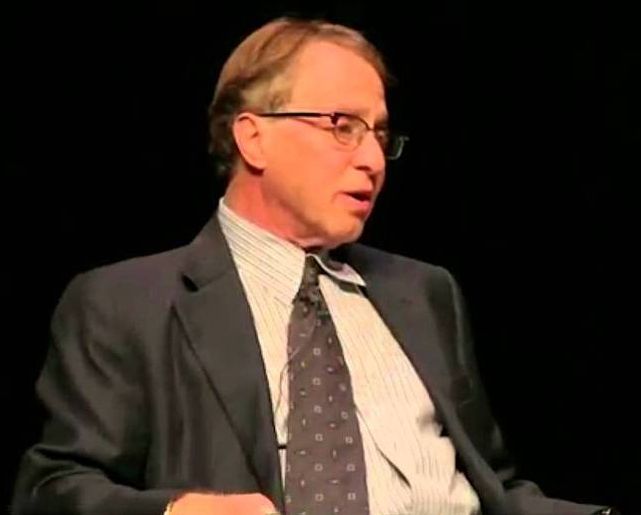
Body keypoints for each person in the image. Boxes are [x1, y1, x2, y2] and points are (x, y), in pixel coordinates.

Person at [11, 16, 616, 515]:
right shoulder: (127, 303)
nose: (373, 158)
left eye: (380, 135)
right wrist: (179, 511)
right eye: (342, 127)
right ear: (253, 138)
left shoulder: (425, 293)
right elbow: (52, 492)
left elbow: (496, 489)